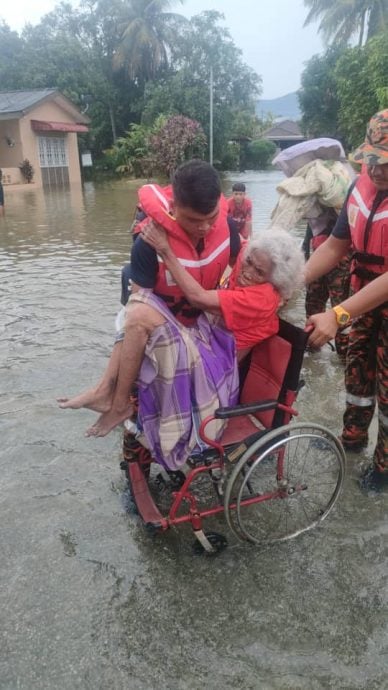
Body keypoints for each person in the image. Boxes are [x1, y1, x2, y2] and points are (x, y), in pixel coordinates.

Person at [59, 225, 303, 469]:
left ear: (273, 280)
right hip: (205, 346)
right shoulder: (248, 260)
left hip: (214, 376)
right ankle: (105, 391)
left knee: (141, 313)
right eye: (248, 262)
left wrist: (165, 250)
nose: (246, 271)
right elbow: (226, 238)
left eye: (258, 272)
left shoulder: (262, 298)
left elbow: (198, 297)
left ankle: (118, 403)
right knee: (135, 306)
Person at [58, 159, 241, 457]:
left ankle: (111, 397)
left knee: (138, 316)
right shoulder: (147, 244)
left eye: (211, 217)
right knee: (136, 315)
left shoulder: (227, 227)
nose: (205, 228)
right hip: (161, 332)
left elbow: (241, 270)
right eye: (194, 221)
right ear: (172, 205)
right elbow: (136, 309)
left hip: (203, 328)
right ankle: (123, 423)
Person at [304, 109, 388, 493]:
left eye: (386, 163)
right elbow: (337, 246)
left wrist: (337, 314)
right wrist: (288, 282)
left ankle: (384, 467)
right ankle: (352, 438)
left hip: (374, 296)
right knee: (356, 370)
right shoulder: (358, 189)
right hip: (363, 297)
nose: (377, 170)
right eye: (372, 160)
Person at [271, 139, 355, 360]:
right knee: (313, 306)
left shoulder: (342, 206)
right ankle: (311, 353)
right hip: (318, 263)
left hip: (342, 266)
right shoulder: (315, 212)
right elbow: (310, 238)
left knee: (341, 309)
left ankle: (343, 357)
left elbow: (341, 243)